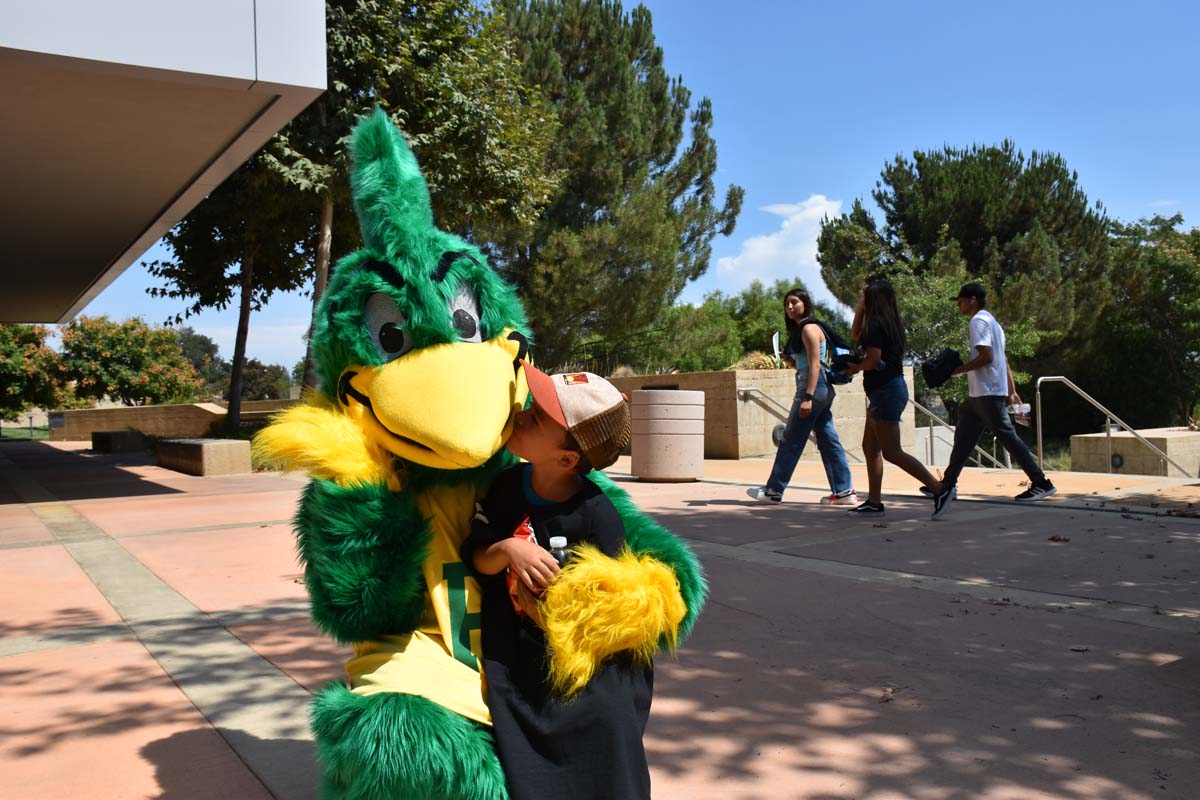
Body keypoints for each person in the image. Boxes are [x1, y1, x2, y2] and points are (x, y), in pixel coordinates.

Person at [460, 362, 651, 800]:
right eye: (529, 405)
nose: (521, 414)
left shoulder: (596, 512)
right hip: (517, 650)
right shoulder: (505, 488)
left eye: (536, 418)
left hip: (580, 652)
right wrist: (510, 549)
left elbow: (614, 604)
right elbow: (476, 555)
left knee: (610, 717)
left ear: (566, 459)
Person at [930, 283, 1056, 518]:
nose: (958, 304)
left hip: (986, 393)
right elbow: (1003, 359)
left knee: (1007, 435)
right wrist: (1012, 390)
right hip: (980, 395)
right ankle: (947, 484)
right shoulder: (994, 323)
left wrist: (959, 370)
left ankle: (1041, 483)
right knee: (964, 438)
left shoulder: (978, 322)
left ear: (973, 300)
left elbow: (987, 357)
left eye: (961, 300)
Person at [746, 288, 858, 505]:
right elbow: (809, 363)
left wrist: (807, 397)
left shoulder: (808, 328)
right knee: (828, 439)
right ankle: (844, 492)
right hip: (820, 387)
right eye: (787, 304)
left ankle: (773, 491)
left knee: (791, 440)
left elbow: (816, 364)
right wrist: (793, 362)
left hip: (812, 388)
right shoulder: (809, 329)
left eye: (794, 302)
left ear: (805, 303)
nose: (790, 307)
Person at [844, 278, 944, 515]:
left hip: (885, 392)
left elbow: (873, 360)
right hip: (887, 390)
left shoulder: (876, 325)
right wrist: (860, 310)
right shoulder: (888, 324)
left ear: (873, 299)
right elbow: (856, 334)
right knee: (870, 446)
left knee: (892, 452)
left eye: (863, 296)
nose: (860, 299)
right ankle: (874, 502)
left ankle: (940, 489)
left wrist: (854, 368)